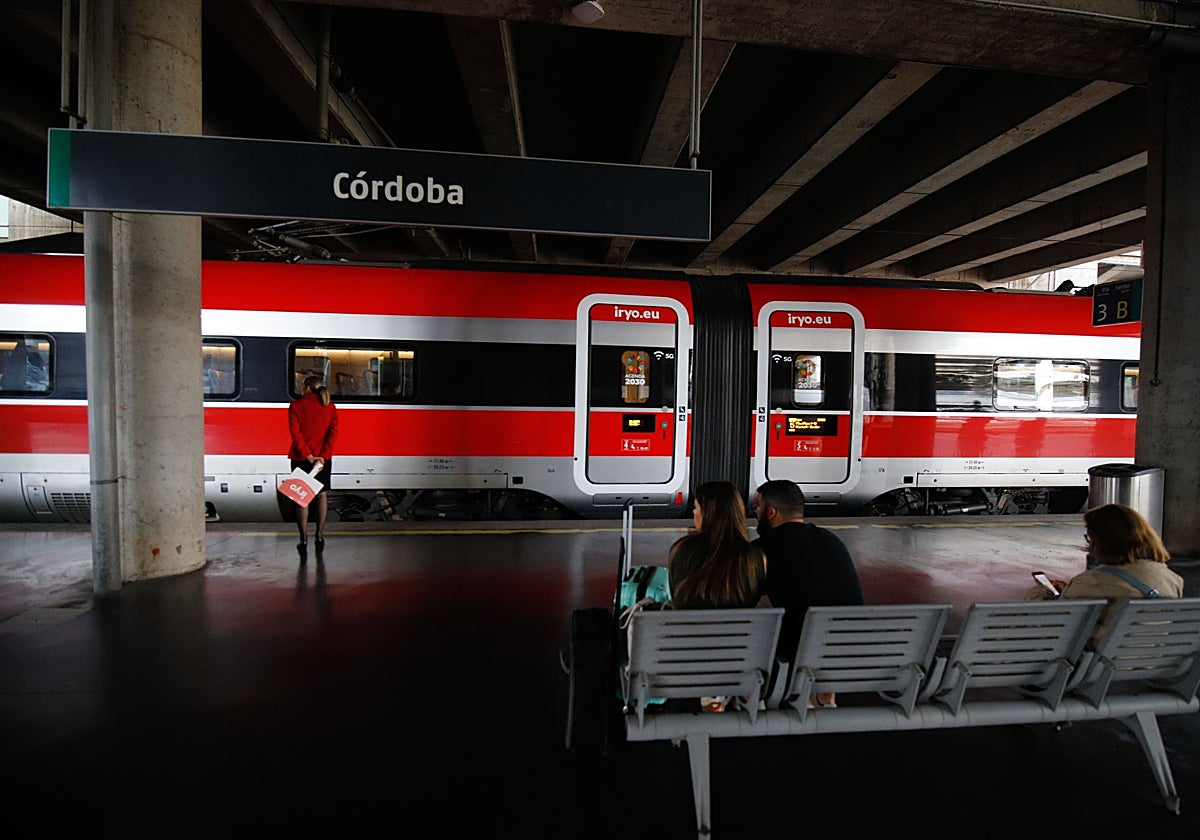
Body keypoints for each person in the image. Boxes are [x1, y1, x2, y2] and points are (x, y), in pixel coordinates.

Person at [752, 479, 864, 708]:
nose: (755, 511)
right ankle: (824, 698)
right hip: (849, 649)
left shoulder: (764, 548)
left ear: (771, 512)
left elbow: (743, 601)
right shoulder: (831, 540)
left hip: (799, 652)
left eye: (758, 506)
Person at [1025, 503, 1183, 643]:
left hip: (1102, 668)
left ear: (1101, 542)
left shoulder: (1091, 582)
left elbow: (1049, 621)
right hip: (1154, 664)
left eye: (1090, 538)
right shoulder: (1170, 579)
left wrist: (1041, 591)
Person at [668, 481, 767, 611]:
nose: (693, 513)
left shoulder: (683, 550)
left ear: (707, 513)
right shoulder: (755, 557)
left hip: (690, 630)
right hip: (739, 630)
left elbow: (676, 595)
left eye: (696, 507)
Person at [287, 374, 339, 559]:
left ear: (307, 387)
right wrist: (322, 457)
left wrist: (307, 455)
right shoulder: (330, 407)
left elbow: (295, 433)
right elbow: (332, 435)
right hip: (323, 460)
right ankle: (320, 535)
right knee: (322, 494)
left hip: (302, 458)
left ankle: (303, 538)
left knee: (303, 497)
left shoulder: (296, 406)